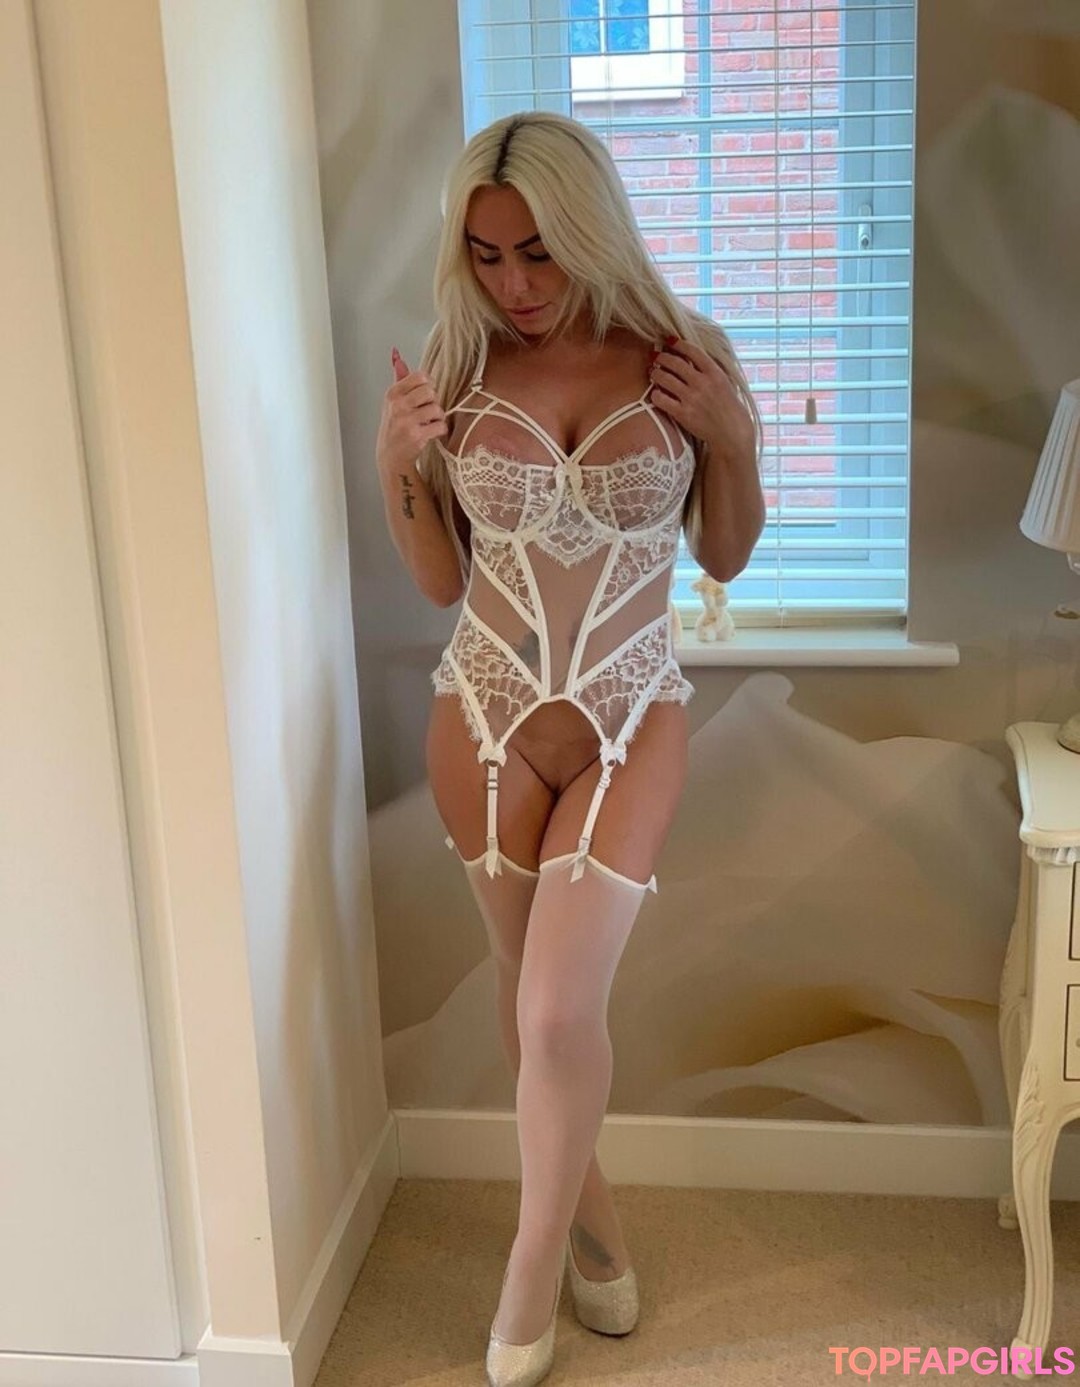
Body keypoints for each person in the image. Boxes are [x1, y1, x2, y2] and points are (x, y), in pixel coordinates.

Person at [375, 110, 764, 1387]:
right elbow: (442, 581)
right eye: (487, 255)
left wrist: (731, 437)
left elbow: (723, 553)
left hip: (631, 710)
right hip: (483, 715)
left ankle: (531, 1257)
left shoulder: (683, 357)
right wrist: (399, 468)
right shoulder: (460, 362)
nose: (515, 284)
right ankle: (596, 1230)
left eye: (537, 251)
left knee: (554, 1006)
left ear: (590, 227)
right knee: (524, 992)